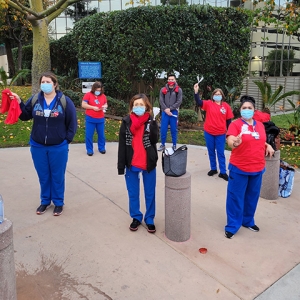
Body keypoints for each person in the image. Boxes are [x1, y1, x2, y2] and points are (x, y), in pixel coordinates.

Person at [11, 71, 78, 216]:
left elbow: (72, 123)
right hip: (38, 145)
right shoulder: (35, 99)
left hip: (58, 146)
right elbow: (25, 116)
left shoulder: (65, 101)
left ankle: (58, 203)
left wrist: (66, 140)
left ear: (55, 84)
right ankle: (45, 201)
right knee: (43, 175)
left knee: (57, 175)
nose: (45, 84)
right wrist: (19, 102)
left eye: (48, 82)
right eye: (43, 82)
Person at [224, 95, 275, 239]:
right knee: (235, 198)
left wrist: (267, 145)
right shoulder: (235, 125)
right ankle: (233, 225)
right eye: (244, 108)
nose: (247, 110)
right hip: (239, 168)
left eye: (249, 108)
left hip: (257, 168)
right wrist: (235, 142)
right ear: (240, 110)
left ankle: (248, 221)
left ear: (254, 110)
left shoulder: (259, 125)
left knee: (252, 197)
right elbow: (230, 140)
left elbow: (258, 139)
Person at [117, 94, 159, 233]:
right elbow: (122, 145)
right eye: (136, 105)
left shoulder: (151, 122)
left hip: (148, 162)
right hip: (132, 163)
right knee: (133, 193)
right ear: (132, 107)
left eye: (141, 105)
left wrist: (153, 125)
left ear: (147, 107)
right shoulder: (126, 122)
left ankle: (150, 218)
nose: (138, 107)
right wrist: (121, 166)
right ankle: (136, 216)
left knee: (150, 193)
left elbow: (154, 140)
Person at [194, 84, 234, 181]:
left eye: (219, 94)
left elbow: (229, 121)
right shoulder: (209, 104)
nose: (217, 95)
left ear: (222, 96)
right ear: (213, 95)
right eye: (215, 94)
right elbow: (199, 102)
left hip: (220, 133)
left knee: (220, 153)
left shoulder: (226, 106)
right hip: (209, 132)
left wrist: (230, 134)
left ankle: (223, 172)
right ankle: (213, 168)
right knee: (211, 151)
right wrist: (196, 92)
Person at [81, 81, 108, 156]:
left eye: (99, 90)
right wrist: (93, 107)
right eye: (97, 90)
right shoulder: (88, 95)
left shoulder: (103, 96)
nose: (98, 92)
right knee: (89, 135)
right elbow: (83, 104)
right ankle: (89, 149)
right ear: (94, 89)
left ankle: (101, 148)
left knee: (101, 135)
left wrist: (105, 106)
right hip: (90, 118)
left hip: (100, 118)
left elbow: (105, 103)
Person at [158, 73, 182, 152]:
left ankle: (174, 145)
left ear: (175, 80)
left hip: (173, 112)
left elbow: (179, 101)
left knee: (173, 129)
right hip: (165, 112)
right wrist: (165, 109)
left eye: (172, 79)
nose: (170, 81)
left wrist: (170, 109)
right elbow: (161, 100)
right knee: (163, 129)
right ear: (167, 80)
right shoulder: (163, 89)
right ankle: (162, 144)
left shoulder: (178, 90)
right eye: (169, 79)